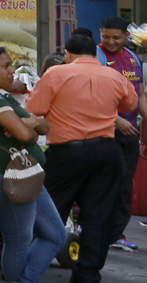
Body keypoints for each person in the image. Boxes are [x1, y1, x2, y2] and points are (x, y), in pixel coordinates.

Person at [29, 33, 135, 281]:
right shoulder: (115, 76)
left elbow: (34, 108)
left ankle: (31, 266)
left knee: (50, 210)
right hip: (107, 152)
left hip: (67, 152)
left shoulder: (56, 74)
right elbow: (130, 104)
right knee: (98, 216)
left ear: (67, 54)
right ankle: (87, 273)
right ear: (95, 54)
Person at [0, 46, 68, 283]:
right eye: (5, 66)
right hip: (4, 175)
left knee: (55, 235)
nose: (12, 71)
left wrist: (29, 122)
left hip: (26, 175)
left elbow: (43, 127)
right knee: (19, 240)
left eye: (11, 65)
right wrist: (28, 125)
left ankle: (26, 279)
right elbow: (27, 135)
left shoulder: (2, 94)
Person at [95, 17, 146, 251]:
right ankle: (95, 230)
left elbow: (140, 94)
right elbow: (90, 97)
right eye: (106, 36)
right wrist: (115, 120)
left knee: (125, 184)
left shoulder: (133, 58)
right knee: (105, 183)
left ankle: (116, 234)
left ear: (126, 36)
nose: (110, 41)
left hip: (130, 133)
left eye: (116, 37)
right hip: (105, 132)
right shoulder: (96, 57)